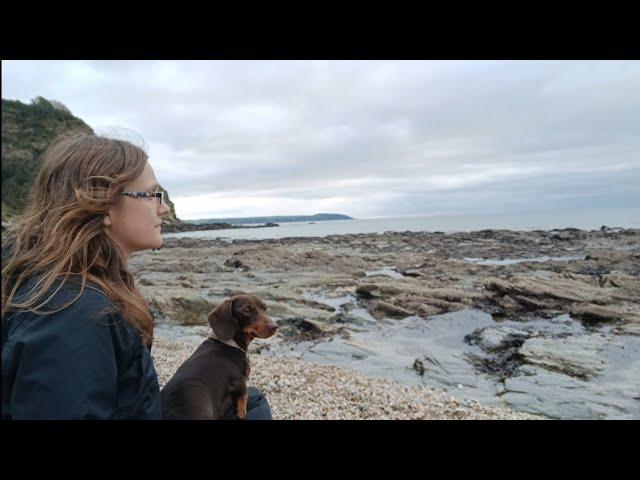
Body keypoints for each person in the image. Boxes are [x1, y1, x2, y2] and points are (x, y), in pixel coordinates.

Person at [1, 132, 273, 420]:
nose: (164, 207)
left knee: (251, 402)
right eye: (152, 194)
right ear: (103, 205)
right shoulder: (74, 315)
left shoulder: (87, 286)